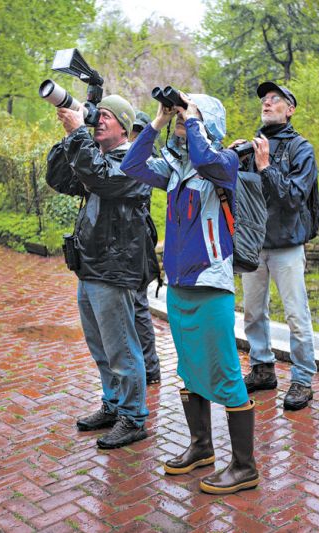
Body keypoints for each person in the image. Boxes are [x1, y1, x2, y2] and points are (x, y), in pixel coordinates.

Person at [121, 93, 260, 495]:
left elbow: (204, 158)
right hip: (179, 285)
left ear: (207, 120)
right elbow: (131, 165)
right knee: (189, 370)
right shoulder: (174, 168)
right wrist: (157, 122)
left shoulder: (225, 162)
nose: (182, 117)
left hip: (211, 285)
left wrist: (194, 118)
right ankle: (201, 447)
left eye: (189, 113)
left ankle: (245, 466)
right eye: (181, 114)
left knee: (226, 374)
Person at [45, 95, 160, 449]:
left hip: (115, 268)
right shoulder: (96, 157)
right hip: (90, 266)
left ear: (124, 127)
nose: (99, 121)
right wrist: (70, 136)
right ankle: (113, 405)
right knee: (101, 348)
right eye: (98, 115)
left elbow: (102, 180)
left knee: (122, 348)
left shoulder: (135, 162)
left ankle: (133, 417)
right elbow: (58, 178)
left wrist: (79, 133)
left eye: (106, 116)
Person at [230, 82, 319, 411]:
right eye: (264, 100)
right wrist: (232, 159)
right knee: (253, 312)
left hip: (287, 246)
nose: (266, 104)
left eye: (274, 100)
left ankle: (302, 379)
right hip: (254, 245)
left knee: (296, 315)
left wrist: (266, 166)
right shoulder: (253, 146)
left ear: (289, 109)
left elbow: (294, 198)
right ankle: (262, 368)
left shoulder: (301, 149)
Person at [130, 109, 161, 386]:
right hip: (131, 241)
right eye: (132, 131)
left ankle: (150, 367)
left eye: (138, 132)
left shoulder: (145, 161)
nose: (134, 137)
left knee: (139, 305)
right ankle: (145, 364)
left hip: (138, 242)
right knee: (134, 305)